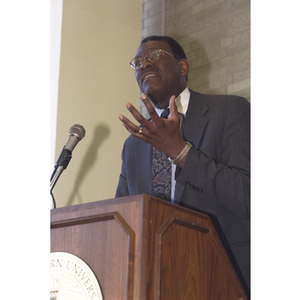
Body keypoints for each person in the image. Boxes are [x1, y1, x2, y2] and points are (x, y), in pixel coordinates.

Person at [116, 35, 250, 295]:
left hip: (224, 276)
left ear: (183, 67)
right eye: (138, 62)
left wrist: (179, 151)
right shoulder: (134, 145)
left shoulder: (231, 111)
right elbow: (124, 220)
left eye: (154, 56)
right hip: (156, 281)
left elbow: (247, 196)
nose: (144, 65)